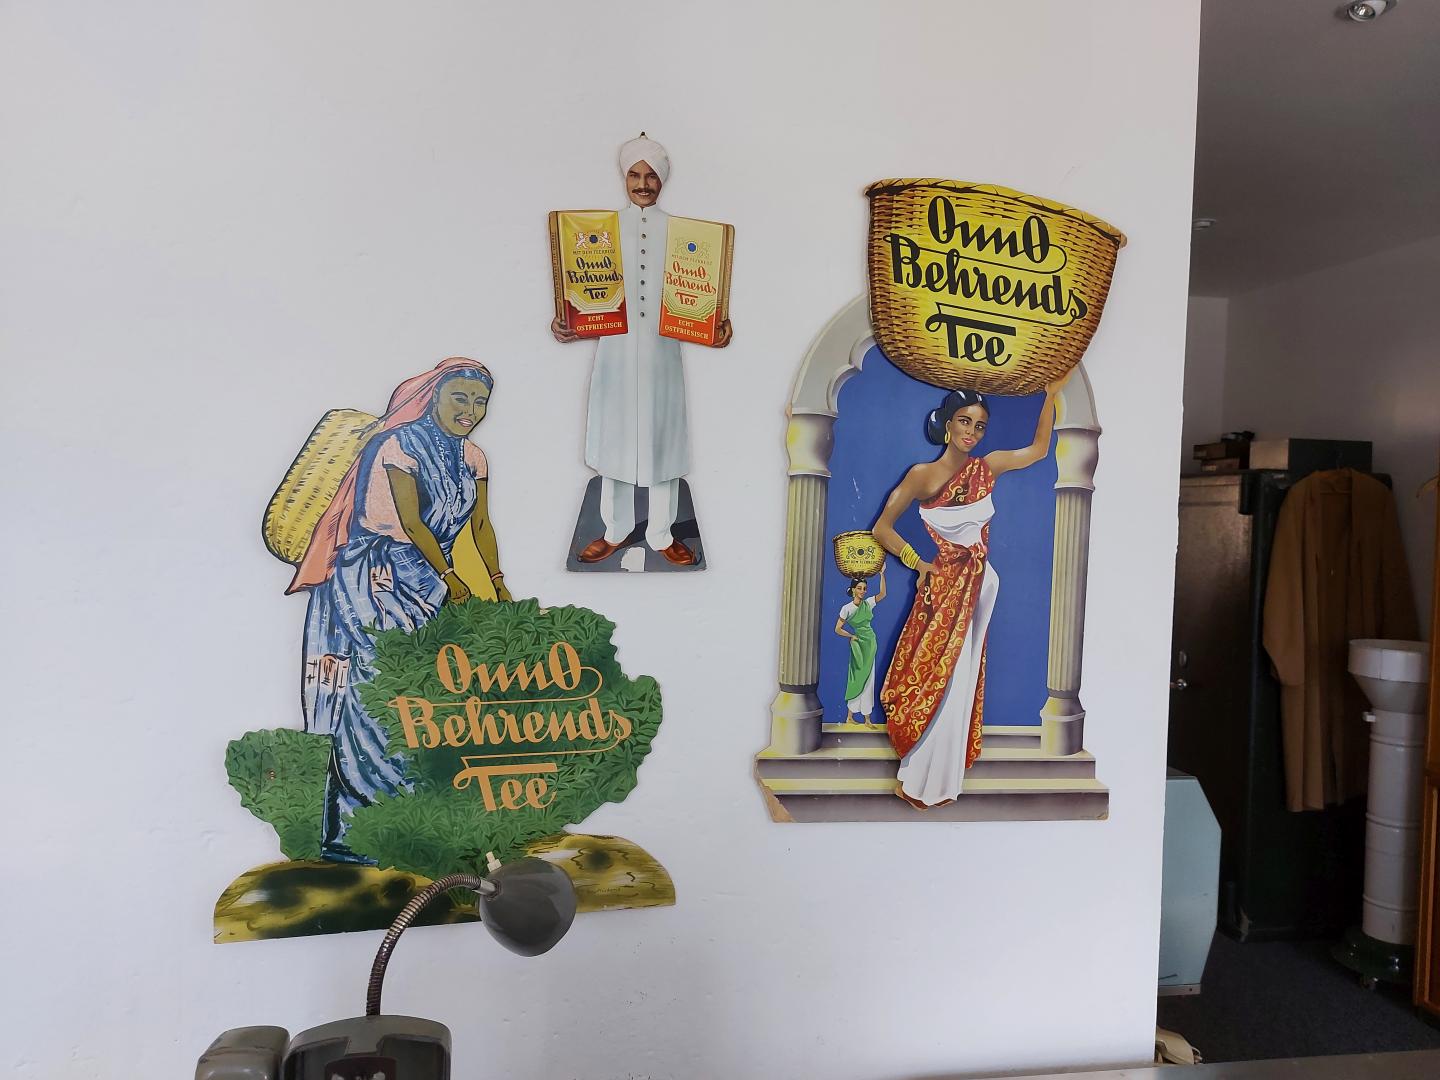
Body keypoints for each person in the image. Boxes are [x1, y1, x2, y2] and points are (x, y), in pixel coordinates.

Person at [288, 357, 510, 861]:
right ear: (433, 397)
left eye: (479, 402)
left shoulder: (473, 456)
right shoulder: (397, 445)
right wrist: (450, 577)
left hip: (428, 578)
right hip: (375, 574)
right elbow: (411, 523)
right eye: (459, 398)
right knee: (376, 690)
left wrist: (497, 582)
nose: (470, 410)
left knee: (422, 692)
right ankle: (354, 833)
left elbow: (480, 526)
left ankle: (410, 820)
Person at [874, 377, 1066, 808]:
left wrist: (1050, 396)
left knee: (962, 678)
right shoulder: (921, 475)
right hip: (944, 585)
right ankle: (918, 775)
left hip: (980, 585)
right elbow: (882, 529)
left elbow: (1039, 450)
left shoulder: (988, 467)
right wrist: (917, 563)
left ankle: (940, 781)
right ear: (947, 424)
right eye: (964, 421)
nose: (972, 432)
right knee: (933, 674)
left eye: (980, 426)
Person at [551, 133, 732, 566]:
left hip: (663, 354)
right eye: (635, 175)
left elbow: (699, 298)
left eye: (651, 176)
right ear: (624, 178)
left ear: (663, 180)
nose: (643, 184)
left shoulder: (687, 234)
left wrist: (716, 328)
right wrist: (568, 322)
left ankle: (661, 534)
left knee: (663, 438)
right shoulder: (601, 231)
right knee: (615, 437)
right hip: (615, 354)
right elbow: (586, 293)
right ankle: (615, 530)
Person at [834, 569, 887, 723]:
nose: (863, 591)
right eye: (859, 588)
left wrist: (882, 574)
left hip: (870, 643)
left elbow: (883, 594)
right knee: (856, 678)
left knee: (869, 679)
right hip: (858, 645)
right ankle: (849, 717)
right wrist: (851, 636)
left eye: (864, 588)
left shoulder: (868, 603)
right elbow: (837, 629)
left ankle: (867, 719)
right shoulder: (847, 608)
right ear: (853, 590)